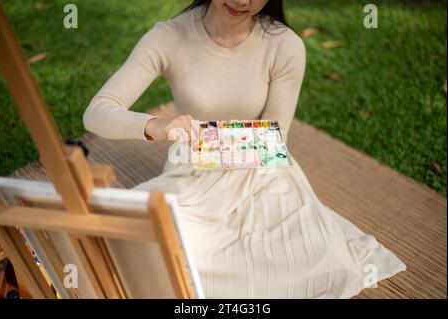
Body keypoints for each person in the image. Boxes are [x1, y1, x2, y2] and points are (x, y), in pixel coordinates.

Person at [83, 0, 406, 298]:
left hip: (262, 168)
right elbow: (97, 112)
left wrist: (215, 144)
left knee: (303, 259)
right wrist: (156, 126)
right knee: (153, 249)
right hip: (193, 171)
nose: (243, 1)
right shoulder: (170, 36)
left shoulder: (284, 44)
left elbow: (274, 138)